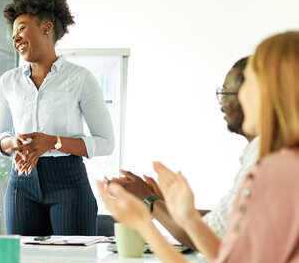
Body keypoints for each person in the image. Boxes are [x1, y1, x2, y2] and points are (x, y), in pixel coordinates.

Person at [99, 31, 299, 263]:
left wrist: (145, 224)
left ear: (275, 91)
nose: (240, 95)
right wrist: (188, 218)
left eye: (250, 83)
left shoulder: (276, 171)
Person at [0, 0, 114, 236]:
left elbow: (106, 143)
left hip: (68, 182)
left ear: (47, 28)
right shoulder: (7, 82)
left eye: (22, 28)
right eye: (13, 34)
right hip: (21, 183)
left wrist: (53, 142)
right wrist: (11, 142)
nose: (15, 39)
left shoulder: (80, 79)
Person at [111, 57, 258, 250]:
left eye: (227, 94)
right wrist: (166, 205)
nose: (222, 105)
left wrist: (149, 202)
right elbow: (224, 221)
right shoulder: (258, 154)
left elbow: (210, 235)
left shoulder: (267, 159)